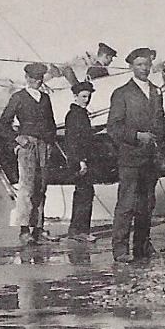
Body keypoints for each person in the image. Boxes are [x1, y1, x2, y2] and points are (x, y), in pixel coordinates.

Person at [107, 48, 165, 262]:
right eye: (140, 64)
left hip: (151, 157)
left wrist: (160, 141)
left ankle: (142, 245)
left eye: (147, 64)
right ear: (131, 67)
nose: (145, 68)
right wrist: (136, 136)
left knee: (147, 203)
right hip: (130, 158)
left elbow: (161, 121)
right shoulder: (122, 93)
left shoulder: (156, 91)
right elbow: (113, 127)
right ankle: (120, 249)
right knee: (127, 204)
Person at [0, 62, 60, 244]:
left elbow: (51, 122)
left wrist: (50, 142)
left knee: (41, 187)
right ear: (27, 78)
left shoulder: (45, 98)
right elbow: (3, 124)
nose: (37, 81)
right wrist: (17, 139)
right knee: (27, 188)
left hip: (44, 146)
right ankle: (24, 230)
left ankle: (39, 228)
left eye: (40, 78)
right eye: (33, 78)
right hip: (28, 146)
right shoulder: (18, 97)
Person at [62, 81, 97, 241]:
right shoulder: (75, 115)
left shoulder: (79, 113)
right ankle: (80, 231)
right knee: (84, 194)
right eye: (83, 96)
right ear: (75, 97)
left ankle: (77, 229)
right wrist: (81, 161)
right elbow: (74, 141)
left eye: (88, 97)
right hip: (79, 161)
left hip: (81, 159)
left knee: (84, 193)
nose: (86, 99)